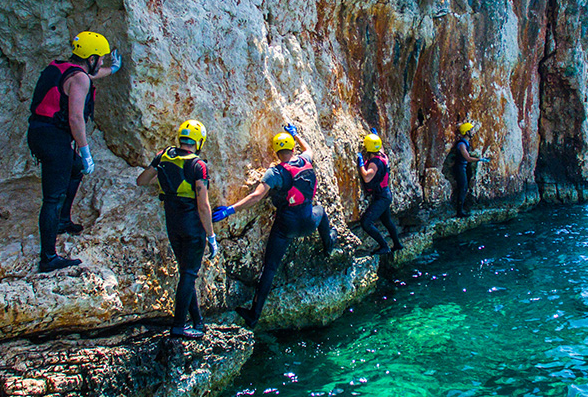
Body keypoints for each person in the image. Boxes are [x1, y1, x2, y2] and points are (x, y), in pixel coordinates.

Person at [212, 124, 336, 328]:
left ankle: (254, 315)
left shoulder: (274, 173)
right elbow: (310, 149)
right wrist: (296, 135)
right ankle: (329, 245)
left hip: (285, 226)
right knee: (321, 210)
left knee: (269, 268)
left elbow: (256, 196)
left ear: (276, 152)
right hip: (308, 221)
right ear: (292, 149)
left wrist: (229, 210)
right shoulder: (305, 160)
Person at [27, 31, 121, 273]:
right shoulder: (80, 79)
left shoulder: (62, 66)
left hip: (39, 132)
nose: (102, 62)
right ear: (90, 57)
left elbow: (86, 76)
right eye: (100, 58)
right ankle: (48, 258)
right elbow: (75, 118)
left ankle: (62, 220)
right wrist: (85, 150)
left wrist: (112, 70)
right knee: (52, 198)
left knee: (76, 168)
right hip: (53, 139)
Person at [135, 120, 218, 339]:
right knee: (189, 275)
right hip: (192, 226)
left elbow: (141, 180)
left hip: (172, 223)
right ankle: (179, 326)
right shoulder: (198, 165)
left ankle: (197, 321)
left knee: (186, 274)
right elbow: (203, 205)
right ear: (199, 142)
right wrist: (211, 236)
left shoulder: (164, 155)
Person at [356, 130, 402, 256]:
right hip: (386, 194)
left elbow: (366, 177)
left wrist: (361, 164)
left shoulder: (375, 163)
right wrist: (375, 136)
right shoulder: (382, 155)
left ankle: (384, 246)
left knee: (366, 222)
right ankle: (397, 244)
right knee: (387, 221)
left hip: (381, 197)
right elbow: (379, 146)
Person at [451, 122, 490, 217]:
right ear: (466, 132)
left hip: (463, 167)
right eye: (471, 130)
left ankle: (461, 208)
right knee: (463, 187)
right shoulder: (462, 144)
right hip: (460, 168)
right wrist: (480, 159)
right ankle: (459, 212)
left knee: (464, 187)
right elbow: (468, 158)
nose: (473, 132)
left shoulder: (465, 143)